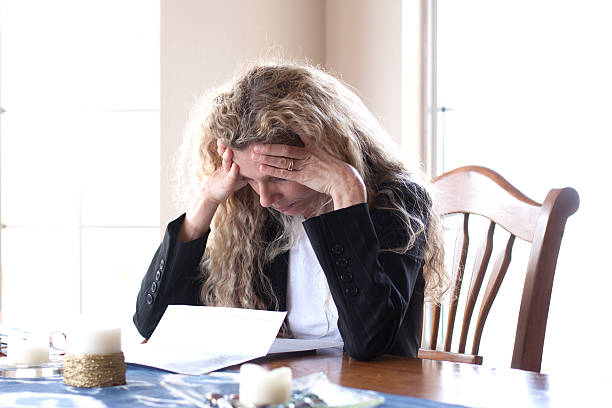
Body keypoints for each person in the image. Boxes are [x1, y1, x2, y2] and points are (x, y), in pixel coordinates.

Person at [134, 61, 447, 360]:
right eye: (251, 180)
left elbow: (369, 344)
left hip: (374, 390)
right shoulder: (258, 213)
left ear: (327, 150)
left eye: (279, 176)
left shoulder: (400, 200)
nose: (266, 197)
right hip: (287, 386)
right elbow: (152, 324)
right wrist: (206, 202)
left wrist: (345, 191)